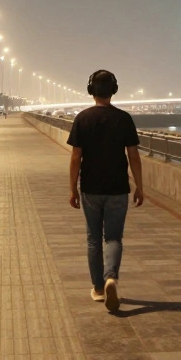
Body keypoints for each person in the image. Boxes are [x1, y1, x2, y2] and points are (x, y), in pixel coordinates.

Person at [67, 69, 143, 312]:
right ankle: (111, 276)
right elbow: (133, 155)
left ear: (91, 91)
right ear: (114, 90)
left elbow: (75, 157)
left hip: (90, 187)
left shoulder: (82, 119)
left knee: (93, 239)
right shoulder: (124, 119)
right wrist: (140, 186)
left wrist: (72, 189)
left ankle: (99, 288)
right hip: (118, 187)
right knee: (113, 237)